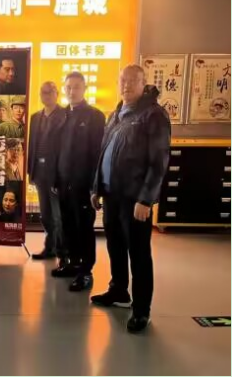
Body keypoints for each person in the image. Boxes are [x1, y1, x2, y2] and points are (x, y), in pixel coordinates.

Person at [90, 65, 171, 333]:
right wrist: (96, 188)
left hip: (134, 199)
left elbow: (159, 162)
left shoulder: (153, 115)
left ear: (143, 83)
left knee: (139, 254)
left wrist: (146, 199)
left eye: (133, 81)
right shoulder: (116, 114)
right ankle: (119, 290)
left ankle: (141, 309)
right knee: (115, 246)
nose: (126, 85)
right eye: (123, 80)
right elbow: (104, 153)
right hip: (111, 194)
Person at [54, 71, 105, 292]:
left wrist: (95, 187)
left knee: (84, 227)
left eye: (76, 87)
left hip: (83, 185)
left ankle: (86, 271)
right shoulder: (62, 115)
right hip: (63, 183)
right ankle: (72, 263)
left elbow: (98, 154)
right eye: (68, 87)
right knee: (67, 225)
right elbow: (57, 151)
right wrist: (55, 179)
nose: (72, 91)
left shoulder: (95, 116)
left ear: (84, 89)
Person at [28, 82, 67, 260]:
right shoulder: (35, 117)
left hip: (56, 173)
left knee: (59, 216)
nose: (47, 95)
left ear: (57, 93)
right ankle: (50, 248)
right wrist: (31, 172)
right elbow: (32, 145)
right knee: (45, 215)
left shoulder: (65, 115)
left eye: (50, 92)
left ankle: (63, 252)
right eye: (43, 92)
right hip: (39, 171)